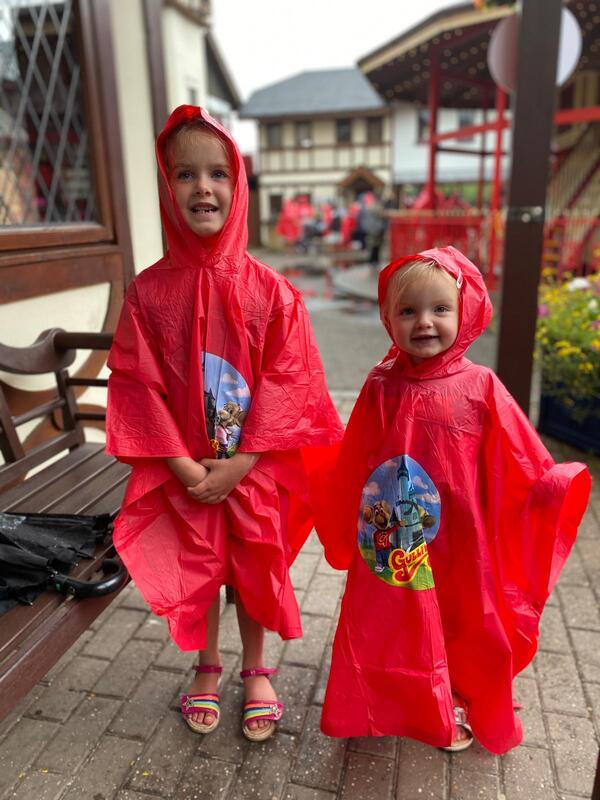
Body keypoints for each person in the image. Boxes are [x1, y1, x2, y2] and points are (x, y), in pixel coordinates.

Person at [106, 106, 343, 743]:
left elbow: (290, 381)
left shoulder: (272, 292)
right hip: (184, 468)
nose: (202, 188)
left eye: (217, 173)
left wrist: (242, 462)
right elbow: (136, 382)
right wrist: (182, 465)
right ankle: (207, 666)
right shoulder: (148, 293)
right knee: (200, 566)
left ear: (238, 188)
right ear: (166, 186)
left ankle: (257, 667)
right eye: (185, 174)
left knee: (256, 566)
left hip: (253, 468)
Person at [314, 246, 590, 754]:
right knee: (394, 618)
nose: (424, 322)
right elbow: (354, 460)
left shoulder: (480, 384)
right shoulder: (379, 386)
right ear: (388, 318)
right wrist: (344, 526)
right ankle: (396, 695)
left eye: (440, 309)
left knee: (464, 615)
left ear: (465, 314)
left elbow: (520, 457)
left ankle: (457, 694)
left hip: (465, 535)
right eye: (408, 310)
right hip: (396, 534)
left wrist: (551, 490)